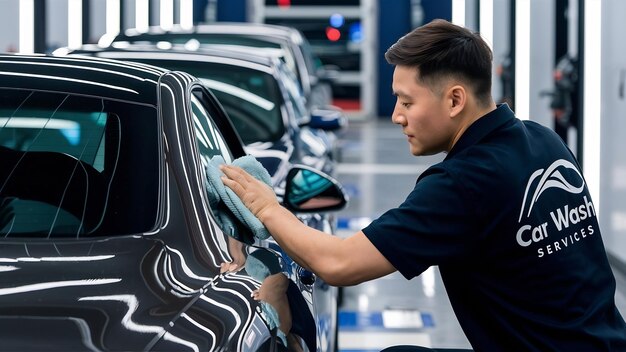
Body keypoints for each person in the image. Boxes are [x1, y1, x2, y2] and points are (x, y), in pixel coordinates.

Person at [221, 19, 626, 351]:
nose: (397, 115)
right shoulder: (542, 139)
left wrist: (268, 208)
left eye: (407, 101)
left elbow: (339, 264)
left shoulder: (464, 182)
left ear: (454, 100)